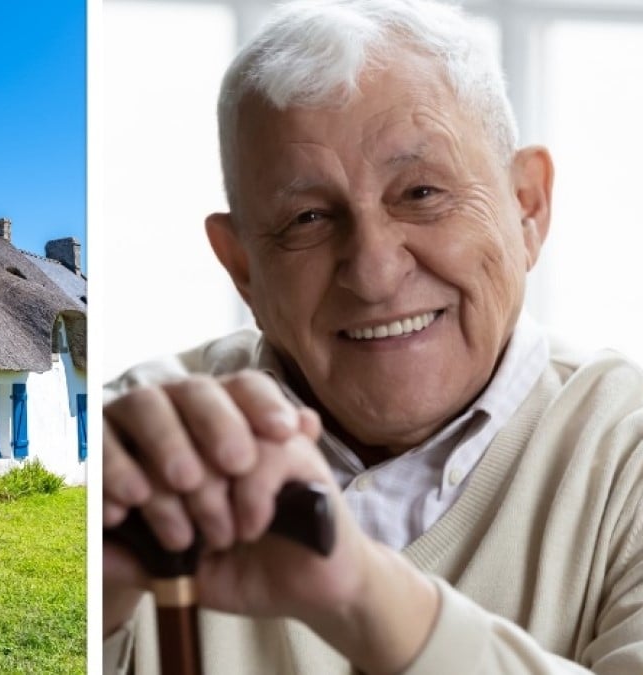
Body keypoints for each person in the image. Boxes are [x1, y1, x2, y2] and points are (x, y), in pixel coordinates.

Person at [102, 0, 643, 673]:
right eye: (306, 217)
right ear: (243, 265)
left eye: (421, 192)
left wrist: (362, 592)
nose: (375, 272)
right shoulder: (140, 447)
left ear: (527, 206)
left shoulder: (629, 451)